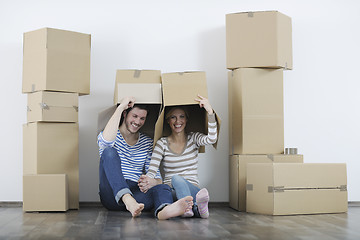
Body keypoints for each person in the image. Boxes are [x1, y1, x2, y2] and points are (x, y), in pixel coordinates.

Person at [97, 96, 193, 219]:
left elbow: (158, 178)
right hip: (112, 194)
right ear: (125, 114)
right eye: (135, 116)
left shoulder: (147, 142)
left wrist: (153, 182)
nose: (138, 122)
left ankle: (164, 210)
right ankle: (127, 199)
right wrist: (121, 107)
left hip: (136, 196)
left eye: (142, 118)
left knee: (163, 187)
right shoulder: (111, 135)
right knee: (108, 152)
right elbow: (105, 142)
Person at [138, 95, 217, 218]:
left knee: (181, 181)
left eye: (181, 117)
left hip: (192, 189)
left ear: (186, 119)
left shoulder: (193, 138)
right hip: (172, 191)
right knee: (175, 180)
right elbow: (152, 170)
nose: (177, 121)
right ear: (168, 121)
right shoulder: (162, 143)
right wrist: (147, 181)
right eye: (173, 117)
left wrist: (210, 112)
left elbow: (212, 139)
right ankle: (197, 209)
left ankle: (188, 209)